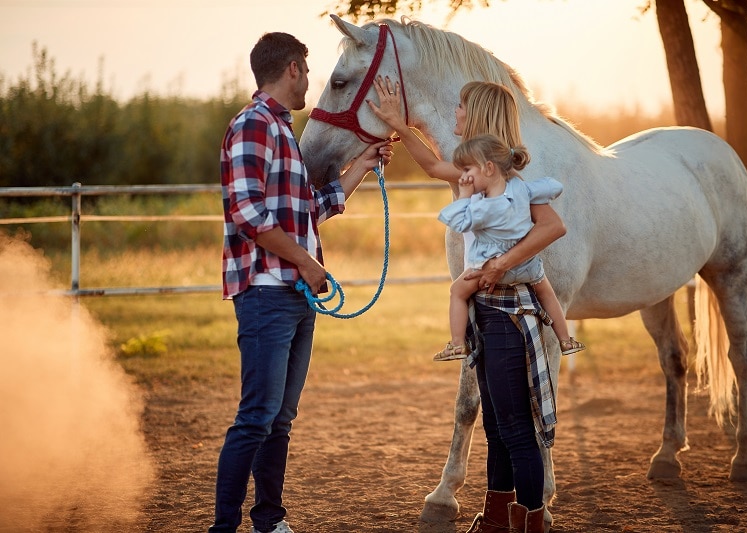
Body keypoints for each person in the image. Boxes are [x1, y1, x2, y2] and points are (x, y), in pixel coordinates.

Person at [211, 32, 391, 533]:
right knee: (257, 416)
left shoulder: (282, 131)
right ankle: (223, 527)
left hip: (294, 297)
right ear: (293, 68)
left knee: (279, 421)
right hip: (268, 293)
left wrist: (363, 164)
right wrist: (307, 265)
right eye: (308, 71)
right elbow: (249, 214)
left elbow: (312, 209)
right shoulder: (252, 127)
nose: (310, 81)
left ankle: (269, 520)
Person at [369, 78, 563, 532]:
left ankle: (530, 523)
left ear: (478, 116)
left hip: (507, 312)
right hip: (486, 314)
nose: (453, 114)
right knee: (496, 424)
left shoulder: (515, 184)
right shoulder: (474, 176)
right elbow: (434, 165)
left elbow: (553, 227)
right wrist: (399, 125)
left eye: (460, 107)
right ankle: (497, 517)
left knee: (516, 428)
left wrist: (500, 265)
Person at [436, 134, 585, 363]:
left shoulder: (485, 208)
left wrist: (464, 196)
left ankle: (457, 343)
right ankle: (565, 338)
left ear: (488, 168)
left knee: (457, 292)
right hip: (526, 264)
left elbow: (458, 222)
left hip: (490, 266)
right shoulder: (522, 189)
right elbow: (553, 186)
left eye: (467, 170)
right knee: (546, 294)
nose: (463, 177)